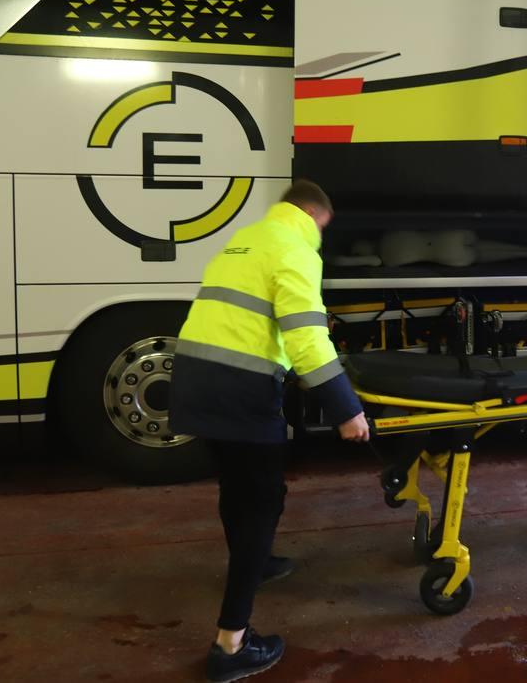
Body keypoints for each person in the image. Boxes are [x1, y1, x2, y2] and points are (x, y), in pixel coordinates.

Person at [170, 179, 369, 682]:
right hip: (241, 391)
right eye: (320, 229)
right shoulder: (296, 249)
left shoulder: (245, 240)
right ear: (313, 217)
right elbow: (307, 338)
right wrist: (347, 410)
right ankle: (231, 645)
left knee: (240, 491)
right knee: (260, 502)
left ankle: (253, 563)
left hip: (194, 379)